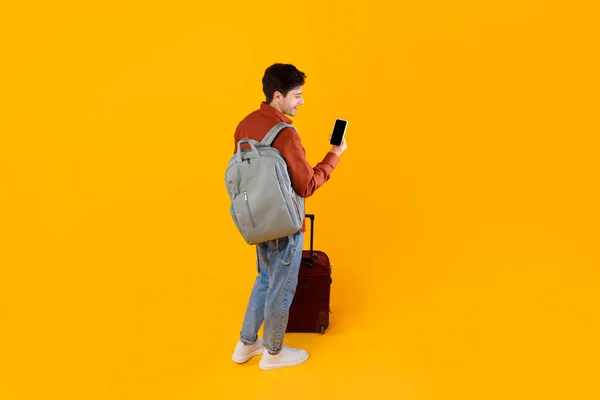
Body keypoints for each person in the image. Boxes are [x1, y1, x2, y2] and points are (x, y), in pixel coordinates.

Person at [230, 63, 347, 370]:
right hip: (285, 223)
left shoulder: (244, 125)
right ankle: (273, 351)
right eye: (297, 95)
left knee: (265, 278)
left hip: (258, 221)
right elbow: (306, 185)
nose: (301, 101)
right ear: (278, 96)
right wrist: (334, 155)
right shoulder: (286, 135)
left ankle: (245, 344)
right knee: (282, 284)